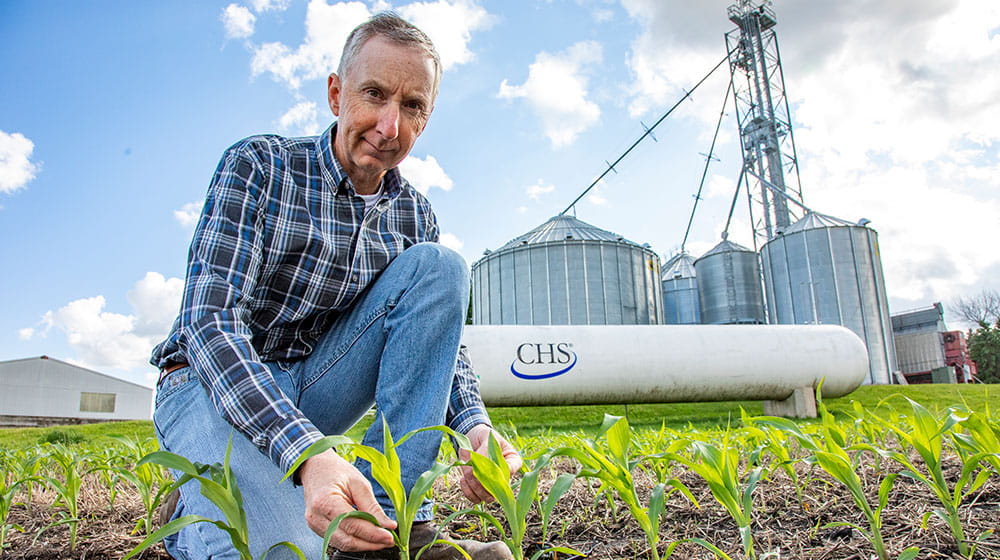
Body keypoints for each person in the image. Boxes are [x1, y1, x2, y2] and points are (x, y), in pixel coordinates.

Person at [150, 12, 521, 560]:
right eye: (373, 94)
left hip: (316, 389)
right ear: (335, 94)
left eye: (412, 106)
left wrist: (475, 428)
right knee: (288, 552)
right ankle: (192, 513)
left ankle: (391, 530)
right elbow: (209, 324)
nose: (390, 126)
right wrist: (307, 454)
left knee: (441, 268)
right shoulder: (260, 166)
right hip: (209, 388)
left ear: (427, 117)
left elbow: (438, 346)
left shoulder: (414, 215)